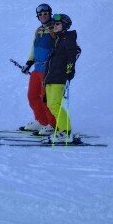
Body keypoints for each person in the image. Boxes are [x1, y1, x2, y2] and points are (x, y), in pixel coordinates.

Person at [19, 3, 56, 135]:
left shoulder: (55, 29)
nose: (43, 16)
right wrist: (28, 64)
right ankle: (42, 121)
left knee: (46, 98)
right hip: (37, 69)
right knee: (32, 96)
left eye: (45, 13)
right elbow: (34, 50)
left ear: (50, 14)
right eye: (40, 14)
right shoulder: (38, 31)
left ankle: (52, 124)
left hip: (48, 70)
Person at [43, 13, 80, 144]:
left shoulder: (68, 38)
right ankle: (62, 129)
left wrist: (70, 68)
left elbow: (74, 52)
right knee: (51, 105)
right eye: (54, 24)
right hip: (51, 77)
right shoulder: (58, 40)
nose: (55, 26)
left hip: (59, 77)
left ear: (65, 25)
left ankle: (66, 131)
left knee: (55, 105)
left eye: (57, 24)